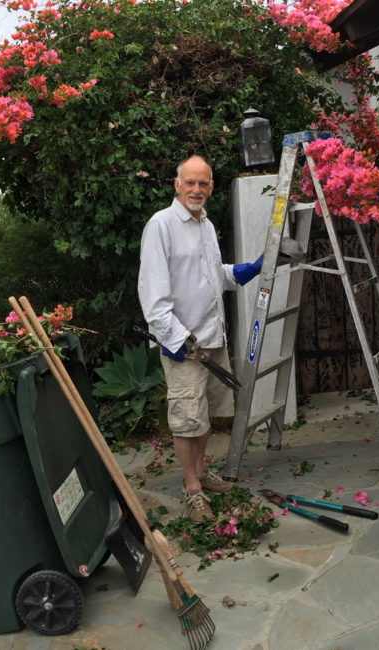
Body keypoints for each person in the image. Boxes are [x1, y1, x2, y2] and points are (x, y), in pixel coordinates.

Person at [137, 155, 263, 523]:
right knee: (186, 419)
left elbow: (211, 275)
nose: (197, 190)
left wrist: (244, 270)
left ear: (210, 187)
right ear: (177, 185)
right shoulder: (161, 226)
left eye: (203, 183)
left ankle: (201, 471)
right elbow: (153, 295)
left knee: (204, 415)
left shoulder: (205, 225)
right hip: (184, 347)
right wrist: (174, 340)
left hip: (212, 337)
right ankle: (192, 488)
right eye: (190, 183)